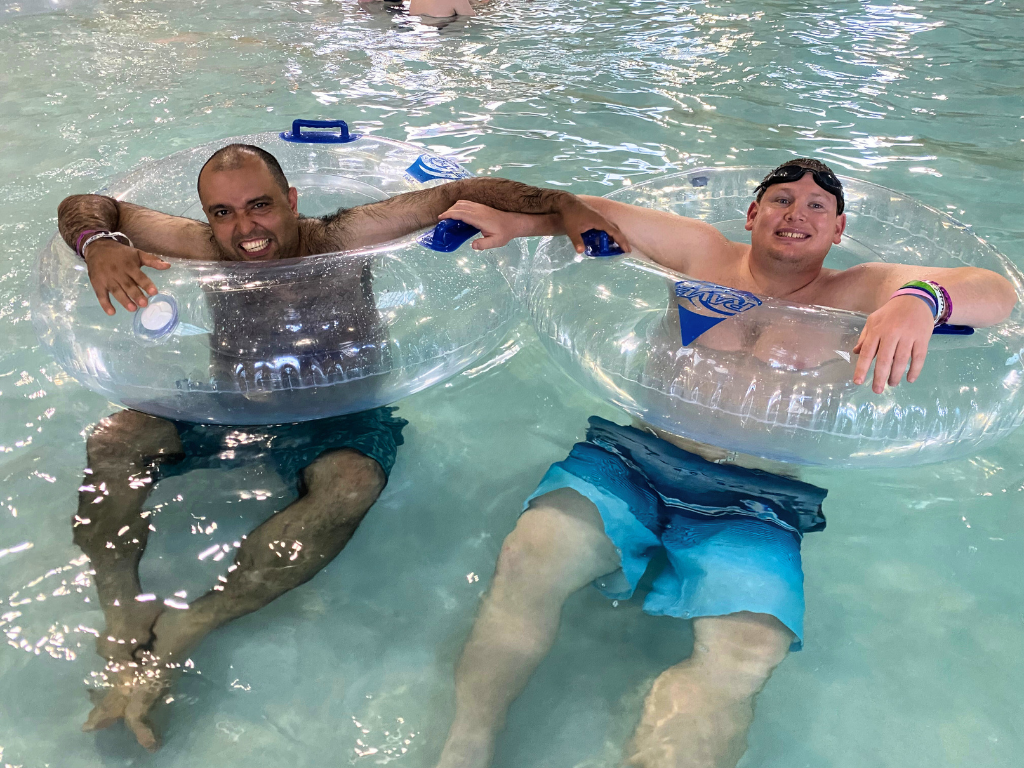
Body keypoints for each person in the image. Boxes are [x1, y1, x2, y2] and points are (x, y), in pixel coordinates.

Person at [430, 159, 1017, 768]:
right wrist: (518, 223)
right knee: (531, 559)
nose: (797, 214)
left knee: (749, 650)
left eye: (817, 207)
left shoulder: (859, 291)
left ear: (838, 230)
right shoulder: (704, 254)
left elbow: (996, 293)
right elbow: (586, 209)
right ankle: (467, 743)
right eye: (782, 199)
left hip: (756, 498)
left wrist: (920, 300)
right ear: (753, 214)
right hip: (635, 460)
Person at [58, 143, 627, 751]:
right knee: (114, 440)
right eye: (222, 213)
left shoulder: (343, 236)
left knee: (352, 484)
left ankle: (192, 622)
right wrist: (98, 242)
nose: (244, 228)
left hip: (338, 416)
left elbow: (452, 195)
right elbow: (86, 205)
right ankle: (121, 614)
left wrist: (563, 206)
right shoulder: (202, 246)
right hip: (234, 407)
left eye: (260, 206)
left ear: (292, 201)